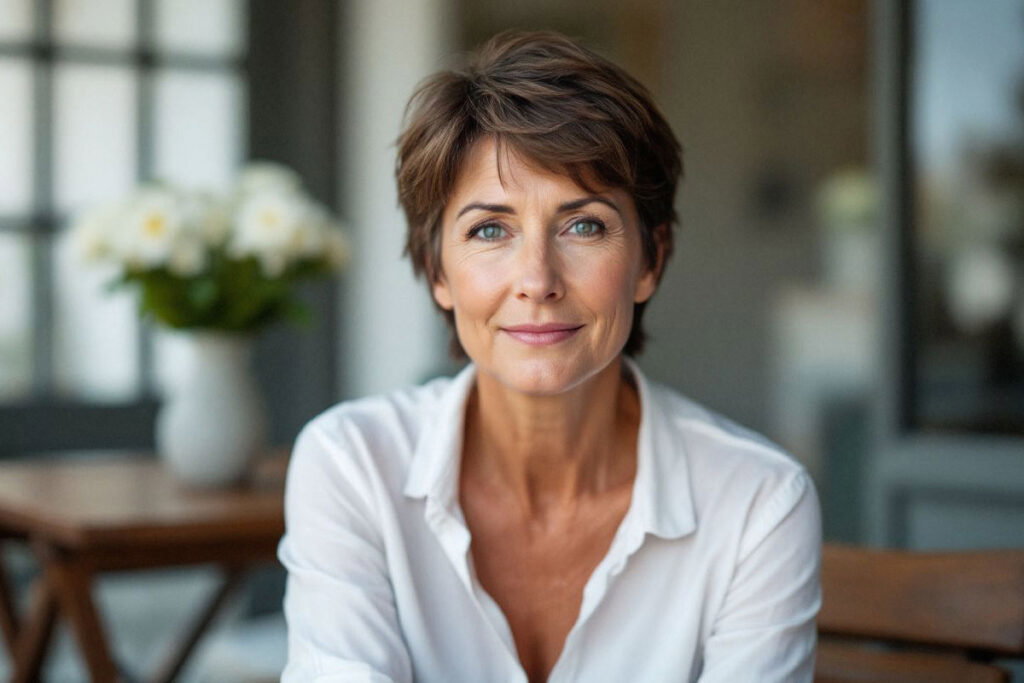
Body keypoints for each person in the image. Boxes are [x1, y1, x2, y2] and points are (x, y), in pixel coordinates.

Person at [279, 30, 821, 683]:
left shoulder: (758, 503)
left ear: (651, 258)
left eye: (583, 224)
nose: (537, 279)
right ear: (437, 271)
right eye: (490, 229)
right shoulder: (351, 466)